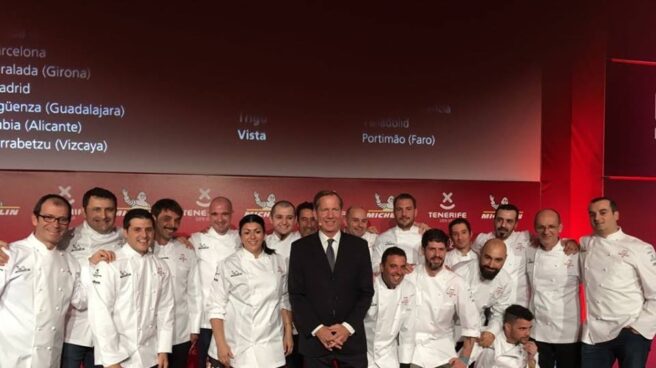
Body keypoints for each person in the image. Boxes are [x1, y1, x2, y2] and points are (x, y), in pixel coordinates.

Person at [288, 190, 374, 367]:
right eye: (325, 210)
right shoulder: (299, 248)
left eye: (335, 209)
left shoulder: (359, 246)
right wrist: (318, 330)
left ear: (341, 213)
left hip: (351, 341)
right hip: (315, 342)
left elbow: (366, 292)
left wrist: (347, 328)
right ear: (316, 213)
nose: (330, 215)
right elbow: (296, 294)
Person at [0, 194, 86, 367]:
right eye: (48, 217)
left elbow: (82, 301)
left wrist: (97, 267)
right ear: (34, 219)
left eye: (62, 220)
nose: (55, 224)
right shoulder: (10, 253)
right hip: (9, 355)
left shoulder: (71, 262)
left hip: (49, 357)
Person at [89, 208, 175, 368]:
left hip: (150, 356)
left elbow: (166, 310)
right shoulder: (110, 264)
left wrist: (163, 349)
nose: (144, 235)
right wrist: (112, 359)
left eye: (149, 229)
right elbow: (99, 313)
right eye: (137, 229)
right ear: (125, 232)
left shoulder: (161, 266)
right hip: (118, 357)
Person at [206, 214, 293, 367]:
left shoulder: (279, 261)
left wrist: (288, 333)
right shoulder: (228, 264)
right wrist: (221, 344)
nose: (252, 237)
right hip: (235, 343)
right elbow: (215, 307)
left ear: (264, 234)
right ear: (240, 236)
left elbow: (284, 299)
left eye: (257, 232)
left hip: (270, 343)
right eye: (247, 232)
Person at [580, 197, 656, 368]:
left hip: (629, 330)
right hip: (595, 334)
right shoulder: (584, 244)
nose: (597, 218)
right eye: (592, 214)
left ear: (616, 215)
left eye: (603, 212)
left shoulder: (639, 248)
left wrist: (640, 328)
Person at [60, 187, 123, 368]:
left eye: (109, 209)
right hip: (73, 330)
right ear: (84, 211)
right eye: (96, 209)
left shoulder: (126, 237)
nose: (103, 215)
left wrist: (180, 239)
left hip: (109, 331)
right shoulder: (66, 238)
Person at [399, 229, 480, 368]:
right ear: (423, 250)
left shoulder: (457, 282)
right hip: (410, 353)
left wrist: (464, 360)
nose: (437, 255)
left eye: (441, 250)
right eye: (432, 249)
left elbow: (471, 325)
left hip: (443, 354)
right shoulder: (408, 277)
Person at [190, 196, 241, 367]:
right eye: (215, 214)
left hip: (236, 319)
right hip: (207, 321)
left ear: (232, 214)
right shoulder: (196, 240)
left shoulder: (241, 238)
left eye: (225, 214)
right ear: (208, 215)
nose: (220, 219)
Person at [527, 209, 580, 368]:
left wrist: (573, 242)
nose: (546, 231)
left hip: (568, 333)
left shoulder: (574, 253)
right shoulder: (529, 250)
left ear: (560, 228)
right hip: (538, 331)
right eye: (541, 227)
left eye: (551, 226)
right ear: (535, 228)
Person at [152, 199, 201, 368]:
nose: (172, 225)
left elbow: (194, 291)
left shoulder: (186, 250)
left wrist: (194, 328)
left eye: (177, 220)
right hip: (148, 334)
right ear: (153, 218)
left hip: (180, 332)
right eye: (166, 219)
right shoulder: (142, 248)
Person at [265, 200, 302, 368]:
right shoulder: (260, 242)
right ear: (271, 218)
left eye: (289, 217)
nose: (284, 222)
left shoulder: (304, 243)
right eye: (279, 217)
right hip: (267, 317)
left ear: (295, 220)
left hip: (297, 317)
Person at [364, 246, 414, 368]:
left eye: (402, 267)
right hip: (365, 355)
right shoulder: (369, 287)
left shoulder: (409, 288)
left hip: (390, 357)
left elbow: (407, 329)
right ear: (381, 267)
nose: (398, 272)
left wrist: (405, 363)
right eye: (393, 266)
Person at [473, 204, 531, 306]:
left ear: (516, 224)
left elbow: (550, 241)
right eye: (500, 220)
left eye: (509, 221)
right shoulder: (481, 239)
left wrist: (568, 242)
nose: (503, 225)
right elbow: (469, 258)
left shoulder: (526, 238)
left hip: (517, 305)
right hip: (489, 304)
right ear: (494, 220)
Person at [466, 239, 512, 350]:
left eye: (498, 260)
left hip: (477, 334)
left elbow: (499, 312)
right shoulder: (460, 272)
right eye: (487, 258)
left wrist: (491, 332)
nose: (491, 265)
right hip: (450, 332)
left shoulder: (505, 281)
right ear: (480, 253)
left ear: (505, 259)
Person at [473, 305, 539, 368]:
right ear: (508, 327)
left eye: (529, 328)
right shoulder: (488, 337)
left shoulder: (530, 349)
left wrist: (531, 359)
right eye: (522, 328)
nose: (528, 333)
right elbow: (464, 359)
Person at [372, 193, 423, 272]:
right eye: (399, 209)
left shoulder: (424, 236)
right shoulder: (382, 238)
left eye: (408, 209)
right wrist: (394, 267)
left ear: (415, 212)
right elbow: (374, 267)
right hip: (390, 284)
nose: (404, 214)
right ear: (394, 212)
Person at [445, 217, 479, 284]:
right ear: (451, 237)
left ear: (471, 234)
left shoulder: (479, 257)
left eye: (463, 232)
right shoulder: (445, 258)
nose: (460, 237)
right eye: (455, 234)